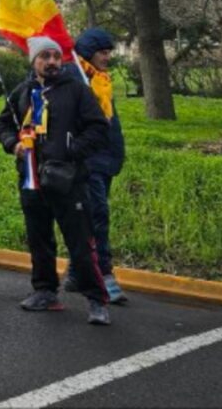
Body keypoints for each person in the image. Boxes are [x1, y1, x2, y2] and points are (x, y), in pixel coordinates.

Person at [0, 36, 113, 326]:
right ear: (34, 61)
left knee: (81, 244)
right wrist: (14, 145)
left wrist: (72, 151)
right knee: (39, 239)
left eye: (55, 57)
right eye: (44, 57)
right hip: (32, 180)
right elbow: (3, 124)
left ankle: (96, 300)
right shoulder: (23, 92)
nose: (51, 62)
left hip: (69, 180)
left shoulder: (76, 91)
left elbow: (98, 128)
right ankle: (45, 291)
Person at [66, 28, 128, 305]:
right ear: (89, 52)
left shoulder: (101, 80)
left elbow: (109, 122)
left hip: (106, 159)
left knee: (90, 216)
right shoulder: (76, 77)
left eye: (108, 53)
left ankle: (76, 271)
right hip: (88, 160)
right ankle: (103, 273)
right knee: (97, 214)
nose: (107, 58)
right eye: (102, 53)